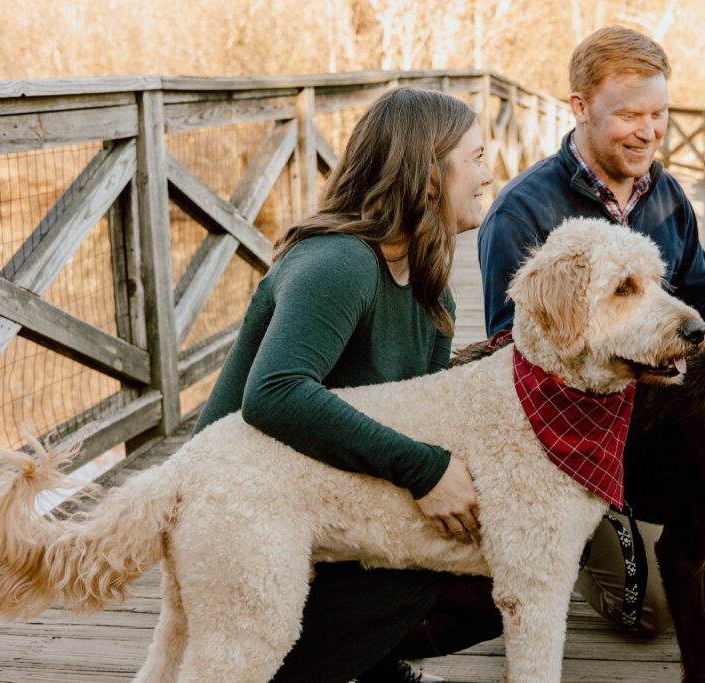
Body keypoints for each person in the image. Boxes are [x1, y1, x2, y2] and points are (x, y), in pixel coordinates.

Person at [478, 25, 705, 636]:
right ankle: (585, 535)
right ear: (579, 107)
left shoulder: (665, 193)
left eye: (659, 114)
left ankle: (682, 503)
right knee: (653, 613)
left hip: (668, 407)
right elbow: (514, 353)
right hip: (575, 431)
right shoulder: (522, 213)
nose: (648, 131)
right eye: (628, 114)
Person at [194, 87, 499, 683]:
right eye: (478, 157)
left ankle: (367, 662)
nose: (489, 175)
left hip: (325, 506)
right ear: (430, 176)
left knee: (507, 564)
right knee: (451, 563)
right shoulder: (339, 262)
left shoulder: (431, 288)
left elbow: (422, 413)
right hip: (241, 517)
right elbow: (276, 392)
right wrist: (424, 470)